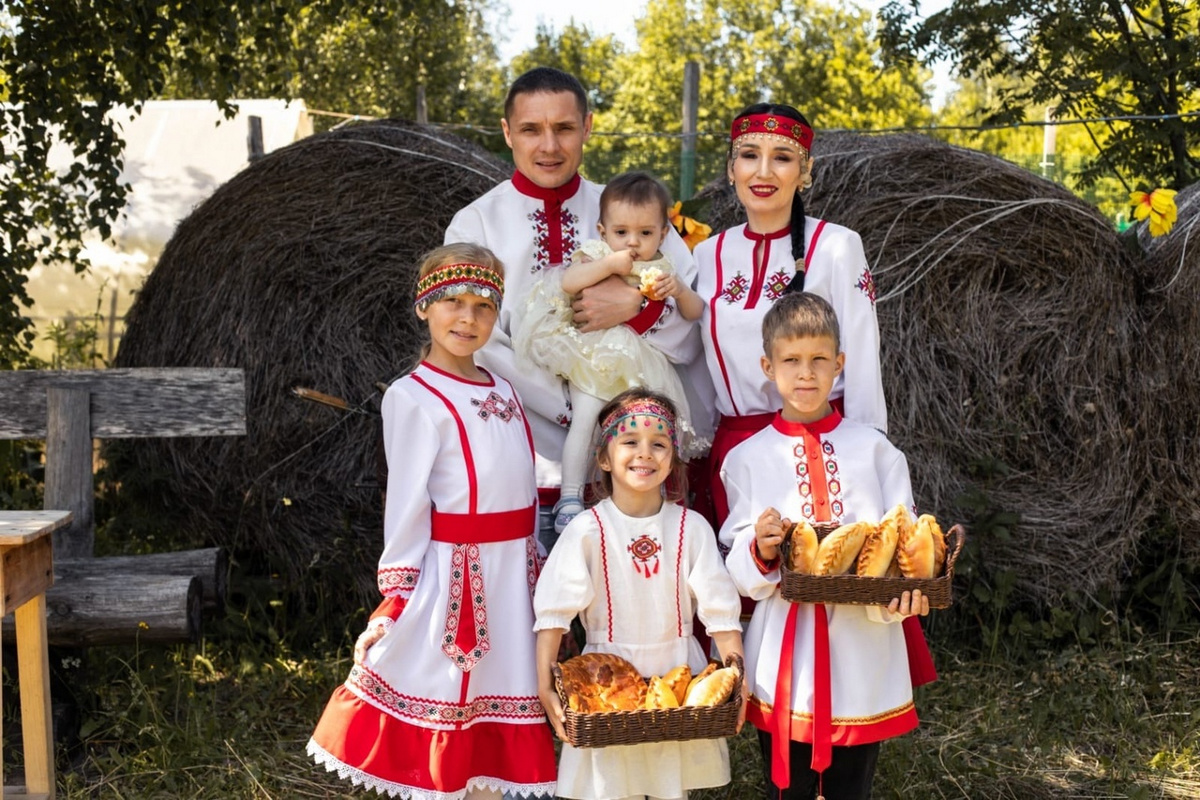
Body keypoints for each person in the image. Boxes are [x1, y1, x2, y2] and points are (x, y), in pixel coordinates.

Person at [308, 243, 557, 800]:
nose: (467, 318)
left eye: (483, 305)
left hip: (512, 575)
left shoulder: (503, 389)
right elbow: (407, 504)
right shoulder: (412, 396)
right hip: (458, 580)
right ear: (423, 306)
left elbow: (517, 479)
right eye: (451, 301)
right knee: (454, 698)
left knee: (505, 698)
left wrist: (540, 564)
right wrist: (396, 596)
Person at [443, 67, 706, 547]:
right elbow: (477, 342)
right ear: (507, 133)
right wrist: (571, 408)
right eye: (531, 129)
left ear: (587, 127)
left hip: (635, 464)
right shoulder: (476, 223)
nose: (549, 146)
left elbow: (692, 332)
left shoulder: (632, 212)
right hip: (522, 457)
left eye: (563, 128)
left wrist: (635, 307)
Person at [718, 292, 931, 800]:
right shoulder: (747, 458)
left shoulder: (876, 451)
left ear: (840, 363)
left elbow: (904, 545)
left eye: (818, 360)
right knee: (784, 786)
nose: (805, 374)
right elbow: (736, 561)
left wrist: (899, 599)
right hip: (782, 655)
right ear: (768, 366)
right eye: (791, 360)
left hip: (861, 646)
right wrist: (761, 549)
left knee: (851, 785)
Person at [533, 387, 745, 800]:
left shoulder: (691, 528)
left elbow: (721, 613)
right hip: (603, 691)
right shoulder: (587, 530)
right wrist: (545, 686)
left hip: (677, 682)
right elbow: (553, 614)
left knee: (669, 787)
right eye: (630, 442)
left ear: (673, 458)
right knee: (612, 789)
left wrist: (738, 681)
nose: (644, 454)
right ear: (604, 458)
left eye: (659, 444)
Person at [693, 102, 886, 529]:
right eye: (749, 155)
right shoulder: (706, 255)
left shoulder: (838, 246)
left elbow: (862, 360)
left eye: (782, 158)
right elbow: (697, 369)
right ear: (730, 168)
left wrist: (865, 459)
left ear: (805, 171)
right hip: (734, 457)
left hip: (822, 451)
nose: (763, 172)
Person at [513, 171, 707, 533]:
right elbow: (568, 282)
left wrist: (679, 290)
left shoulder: (663, 266)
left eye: (645, 233)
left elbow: (696, 313)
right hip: (594, 357)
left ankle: (656, 494)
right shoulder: (598, 253)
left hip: (640, 364)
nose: (632, 243)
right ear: (603, 232)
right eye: (621, 233)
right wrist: (608, 265)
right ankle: (571, 496)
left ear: (664, 234)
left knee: (645, 426)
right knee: (586, 422)